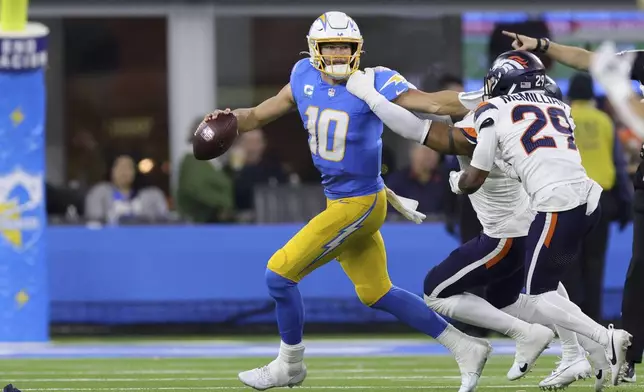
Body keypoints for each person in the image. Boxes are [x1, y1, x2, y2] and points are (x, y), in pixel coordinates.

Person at [202, 11, 489, 392]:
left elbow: (434, 104)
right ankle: (465, 345)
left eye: (345, 46)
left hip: (360, 203)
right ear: (314, 50)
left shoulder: (372, 81)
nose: (338, 54)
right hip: (339, 200)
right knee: (377, 292)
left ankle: (290, 364)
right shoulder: (302, 75)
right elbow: (256, 115)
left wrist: (490, 100)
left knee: (279, 275)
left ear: (358, 50)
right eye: (330, 46)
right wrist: (229, 117)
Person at [346, 67, 611, 390]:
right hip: (537, 215)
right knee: (519, 294)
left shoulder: (493, 118)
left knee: (437, 290)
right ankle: (579, 347)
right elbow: (439, 103)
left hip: (505, 232)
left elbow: (423, 125)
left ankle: (545, 335)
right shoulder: (534, 112)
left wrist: (371, 95)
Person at [452, 49, 632, 387]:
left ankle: (604, 340)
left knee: (537, 295)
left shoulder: (491, 109)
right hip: (592, 201)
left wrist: (456, 182)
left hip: (557, 204)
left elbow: (476, 175)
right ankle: (579, 356)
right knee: (561, 285)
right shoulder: (560, 106)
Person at [501, 31, 644, 383]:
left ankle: (591, 343)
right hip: (601, 196)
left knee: (565, 277)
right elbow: (591, 61)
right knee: (638, 273)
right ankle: (619, 352)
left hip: (573, 198)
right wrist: (543, 46)